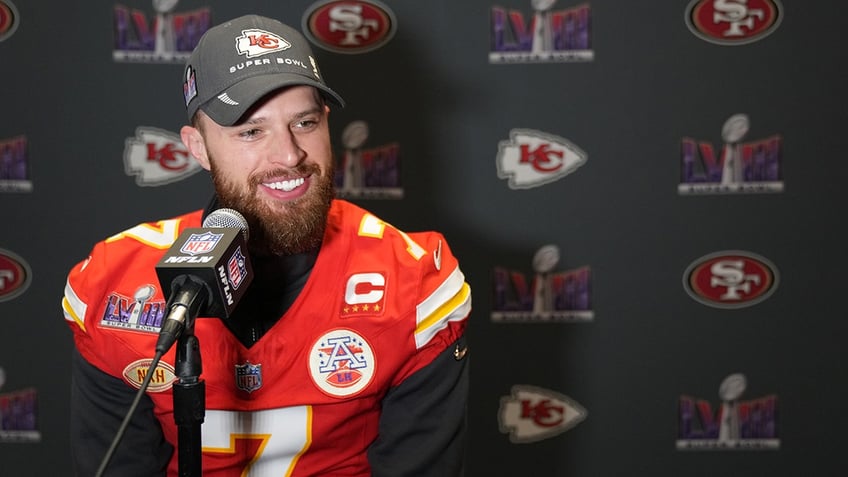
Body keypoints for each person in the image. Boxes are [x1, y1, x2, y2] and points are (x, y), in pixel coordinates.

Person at [62, 14, 471, 476]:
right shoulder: (116, 282)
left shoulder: (413, 281)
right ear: (198, 148)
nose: (290, 154)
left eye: (305, 122)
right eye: (251, 131)